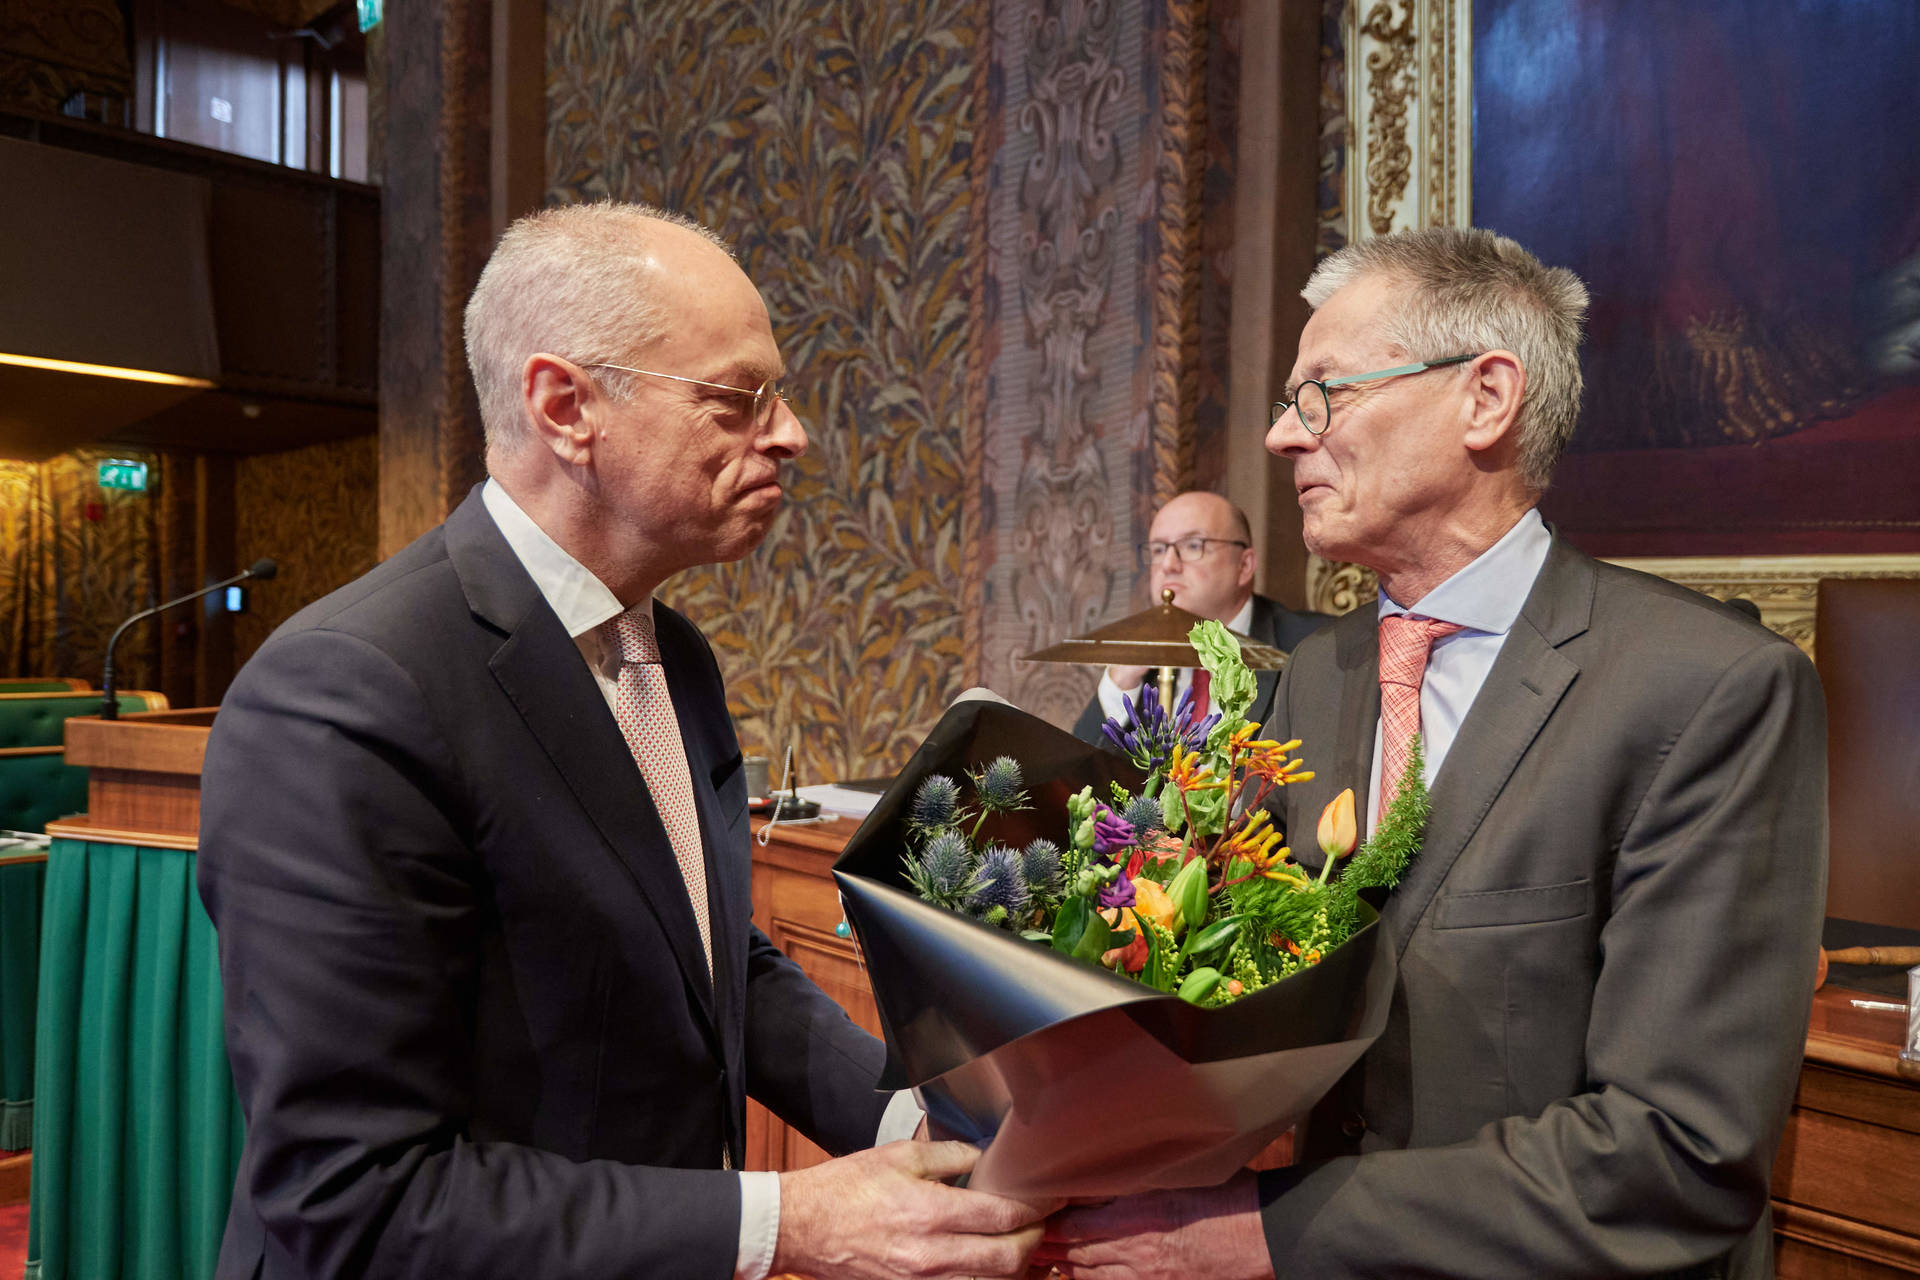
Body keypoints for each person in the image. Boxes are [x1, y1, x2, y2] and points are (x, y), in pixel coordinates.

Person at [197, 202, 1047, 1280]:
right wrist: (790, 1221)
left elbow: (709, 961)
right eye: (742, 397)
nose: (791, 432)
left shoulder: (671, 652)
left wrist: (916, 1136)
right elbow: (355, 1192)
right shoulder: (346, 690)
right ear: (567, 406)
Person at [1039, 227, 1826, 1278]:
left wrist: (1265, 1233)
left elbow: (1677, 1151)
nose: (1281, 436)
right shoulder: (1309, 678)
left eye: (1322, 392)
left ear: (1486, 398)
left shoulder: (1708, 690)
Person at [1070, 491, 1329, 744]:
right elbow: (1080, 777)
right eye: (1159, 550)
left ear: (1244, 565)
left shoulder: (1313, 645)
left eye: (1193, 545)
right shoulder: (1143, 669)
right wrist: (1120, 683)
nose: (1169, 565)